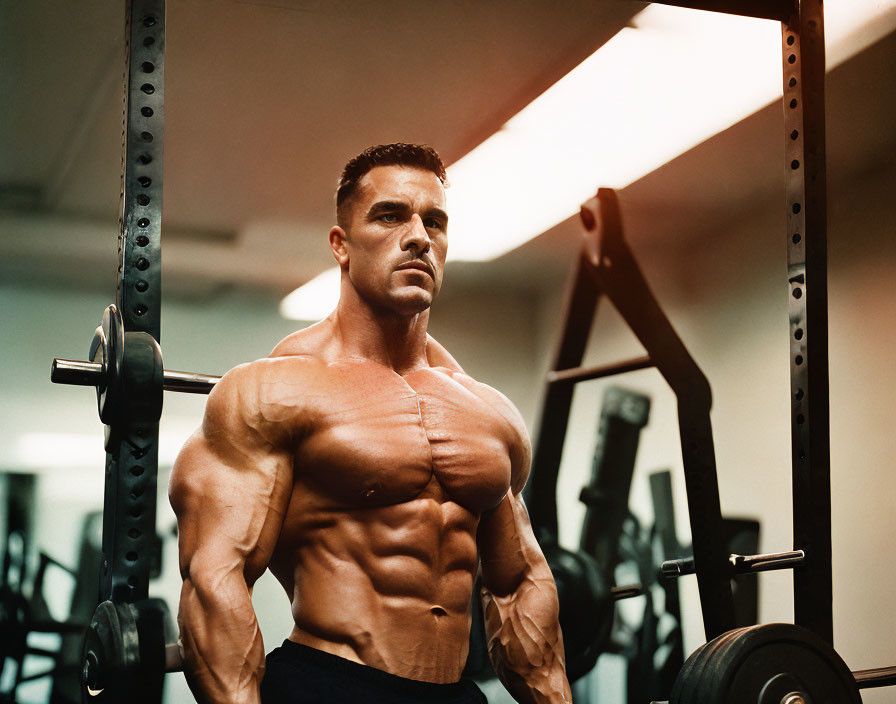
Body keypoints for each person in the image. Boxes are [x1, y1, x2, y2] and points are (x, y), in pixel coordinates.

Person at [169, 143, 572, 704]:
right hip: (329, 684)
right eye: (390, 215)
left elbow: (518, 585)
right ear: (341, 244)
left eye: (434, 221)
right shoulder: (276, 389)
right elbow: (216, 581)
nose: (418, 236)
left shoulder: (487, 412)